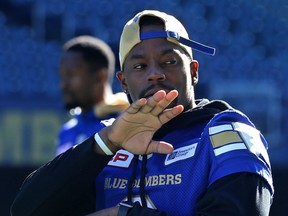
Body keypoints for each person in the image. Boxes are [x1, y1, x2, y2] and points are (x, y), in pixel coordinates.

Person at [11, 10, 274, 216]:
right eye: (139, 66)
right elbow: (25, 210)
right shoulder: (106, 143)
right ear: (123, 82)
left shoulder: (226, 132)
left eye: (169, 61)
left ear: (194, 71)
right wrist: (107, 141)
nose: (155, 73)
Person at [56, 35, 129, 155]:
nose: (63, 84)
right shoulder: (67, 131)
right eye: (62, 75)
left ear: (100, 76)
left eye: (71, 74)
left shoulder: (125, 124)